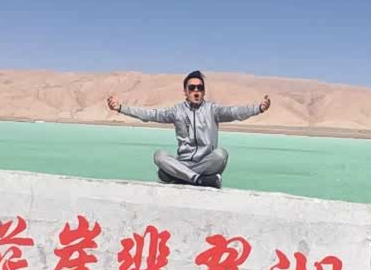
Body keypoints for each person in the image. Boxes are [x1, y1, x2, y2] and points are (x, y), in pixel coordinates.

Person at [107, 70, 271, 188]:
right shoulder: (176, 111)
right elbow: (151, 114)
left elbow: (234, 112)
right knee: (159, 156)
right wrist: (121, 108)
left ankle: (178, 176)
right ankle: (197, 180)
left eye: (200, 88)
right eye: (192, 88)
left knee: (221, 155)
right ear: (185, 92)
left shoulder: (213, 110)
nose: (196, 91)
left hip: (205, 165)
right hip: (183, 163)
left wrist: (259, 108)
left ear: (204, 91)